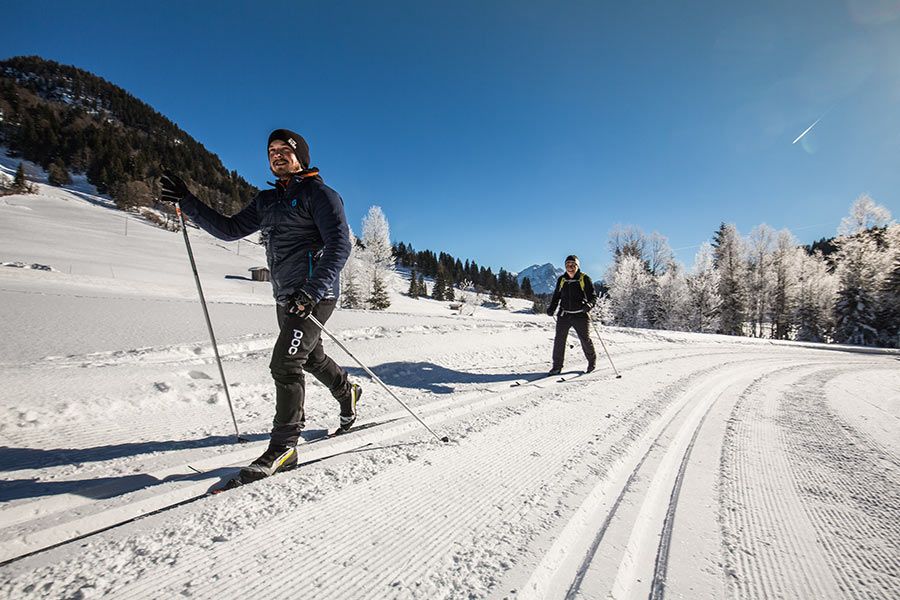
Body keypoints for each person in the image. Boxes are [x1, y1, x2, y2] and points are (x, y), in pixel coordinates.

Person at [159, 129, 361, 482]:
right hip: (285, 295)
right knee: (310, 357)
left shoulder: (321, 195)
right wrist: (187, 200)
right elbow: (228, 229)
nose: (277, 155)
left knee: (285, 363)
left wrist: (312, 290)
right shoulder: (266, 201)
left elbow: (339, 247)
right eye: (272, 151)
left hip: (316, 294)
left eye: (286, 150)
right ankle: (348, 392)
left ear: (302, 156)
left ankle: (284, 447)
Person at [546, 255, 597, 375]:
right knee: (559, 340)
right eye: (568, 264)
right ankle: (557, 367)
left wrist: (589, 305)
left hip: (580, 315)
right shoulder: (562, 279)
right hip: (564, 314)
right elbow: (556, 296)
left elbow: (593, 297)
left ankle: (591, 362)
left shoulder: (584, 279)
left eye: (573, 264)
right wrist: (552, 308)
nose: (570, 267)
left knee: (585, 339)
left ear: (577, 266)